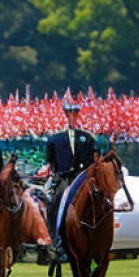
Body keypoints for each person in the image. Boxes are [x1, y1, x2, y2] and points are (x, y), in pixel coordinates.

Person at [45, 101, 99, 261]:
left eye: (75, 114)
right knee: (59, 200)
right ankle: (58, 240)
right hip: (64, 178)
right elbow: (51, 162)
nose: (72, 117)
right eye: (70, 114)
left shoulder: (87, 138)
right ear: (66, 115)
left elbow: (93, 161)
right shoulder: (55, 139)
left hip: (82, 178)